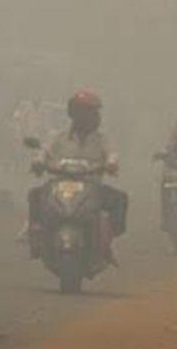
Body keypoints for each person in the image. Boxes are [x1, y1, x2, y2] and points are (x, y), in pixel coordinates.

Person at [29, 91, 128, 261]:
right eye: (86, 112)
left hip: (92, 186)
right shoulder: (58, 137)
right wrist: (38, 162)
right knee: (35, 195)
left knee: (120, 199)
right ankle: (36, 237)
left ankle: (107, 240)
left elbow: (112, 154)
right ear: (73, 114)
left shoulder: (101, 140)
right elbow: (44, 151)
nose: (91, 117)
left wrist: (111, 164)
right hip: (59, 185)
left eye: (93, 113)